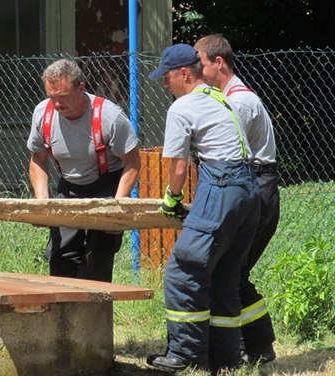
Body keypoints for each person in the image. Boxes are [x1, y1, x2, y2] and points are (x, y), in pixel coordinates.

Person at [145, 44, 261, 373]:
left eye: (166, 78)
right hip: (249, 191)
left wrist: (171, 199)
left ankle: (185, 354)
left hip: (222, 185)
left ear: (184, 74)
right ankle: (225, 360)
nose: (165, 85)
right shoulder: (221, 97)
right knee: (224, 276)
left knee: (183, 270)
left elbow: (179, 169)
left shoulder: (182, 107)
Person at [195, 34, 280, 365]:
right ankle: (256, 346)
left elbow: (228, 155)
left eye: (200, 63)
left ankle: (250, 347)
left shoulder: (239, 103)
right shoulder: (229, 98)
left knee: (231, 271)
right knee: (232, 271)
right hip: (251, 186)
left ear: (219, 63)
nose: (195, 70)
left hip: (255, 188)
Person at [27, 58, 140, 283]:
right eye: (51, 97)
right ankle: (63, 314)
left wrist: (116, 207)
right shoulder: (43, 114)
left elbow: (133, 162)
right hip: (69, 188)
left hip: (106, 187)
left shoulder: (109, 117)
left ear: (81, 88)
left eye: (63, 97)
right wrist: (42, 204)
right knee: (61, 260)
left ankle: (94, 315)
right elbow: (38, 159)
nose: (57, 105)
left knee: (97, 262)